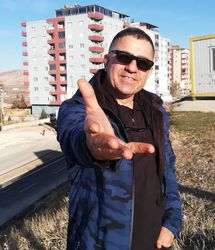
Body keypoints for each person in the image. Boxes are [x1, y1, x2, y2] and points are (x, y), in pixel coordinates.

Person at [57, 27, 182, 250]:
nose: (132, 68)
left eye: (143, 63)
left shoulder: (156, 111)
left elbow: (167, 171)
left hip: (154, 241)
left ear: (149, 72)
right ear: (106, 60)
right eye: (124, 57)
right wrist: (92, 146)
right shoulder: (79, 109)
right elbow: (73, 138)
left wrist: (172, 223)